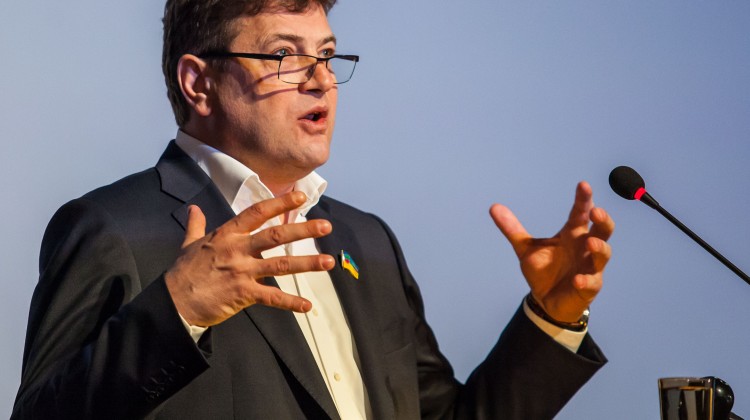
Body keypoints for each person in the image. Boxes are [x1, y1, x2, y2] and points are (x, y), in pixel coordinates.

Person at [13, 0, 615, 418]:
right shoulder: (114, 230)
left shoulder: (367, 241)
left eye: (326, 55)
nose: (321, 80)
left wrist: (550, 319)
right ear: (198, 83)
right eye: (284, 55)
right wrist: (179, 312)